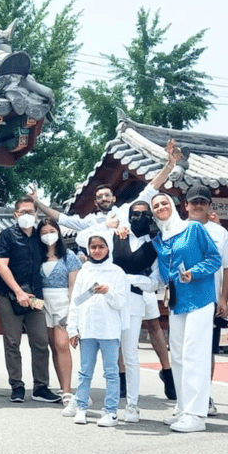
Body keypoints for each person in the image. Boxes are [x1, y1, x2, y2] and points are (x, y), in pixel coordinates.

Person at [31, 140, 180, 400]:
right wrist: (38, 202)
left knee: (154, 325)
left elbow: (151, 188)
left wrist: (170, 164)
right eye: (98, 197)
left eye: (106, 196)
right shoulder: (89, 222)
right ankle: (121, 380)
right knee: (119, 333)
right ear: (94, 200)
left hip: (141, 270)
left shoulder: (126, 211)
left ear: (113, 197)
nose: (103, 199)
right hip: (114, 279)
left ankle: (167, 371)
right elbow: (60, 219)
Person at [74, 200, 162, 423]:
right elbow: (83, 239)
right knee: (100, 357)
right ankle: (82, 401)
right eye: (134, 214)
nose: (138, 218)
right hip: (106, 305)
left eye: (144, 214)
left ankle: (132, 405)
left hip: (133, 303)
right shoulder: (116, 238)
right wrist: (108, 225)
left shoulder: (155, 245)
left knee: (130, 355)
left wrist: (130, 279)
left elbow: (155, 282)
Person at [150, 193, 220, 433]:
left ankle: (196, 414)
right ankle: (182, 407)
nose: (161, 207)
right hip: (176, 302)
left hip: (199, 297)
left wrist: (195, 271)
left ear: (173, 206)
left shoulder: (193, 229)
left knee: (194, 355)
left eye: (164, 203)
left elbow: (214, 258)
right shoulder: (159, 239)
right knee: (178, 355)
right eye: (156, 205)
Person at [0, 195, 60, 403]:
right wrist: (19, 292)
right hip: (9, 294)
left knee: (40, 341)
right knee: (12, 342)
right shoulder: (6, 236)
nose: (27, 215)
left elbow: (56, 255)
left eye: (30, 212)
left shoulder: (41, 236)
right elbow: (1, 265)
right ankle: (17, 384)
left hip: (36, 295)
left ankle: (41, 386)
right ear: (15, 214)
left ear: (36, 214)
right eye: (22, 212)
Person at [183, 185, 228, 416]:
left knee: (206, 352)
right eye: (194, 202)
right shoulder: (178, 229)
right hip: (182, 300)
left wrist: (224, 299)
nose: (198, 205)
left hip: (209, 301)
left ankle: (204, 397)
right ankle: (184, 399)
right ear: (185, 205)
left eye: (203, 202)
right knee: (181, 352)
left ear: (209, 206)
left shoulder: (219, 233)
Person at [67, 235, 128, 427]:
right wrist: (72, 328)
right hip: (88, 330)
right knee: (85, 371)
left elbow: (122, 302)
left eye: (101, 247)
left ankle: (111, 411)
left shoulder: (117, 272)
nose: (97, 250)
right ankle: (81, 407)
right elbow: (76, 301)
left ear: (108, 249)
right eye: (93, 247)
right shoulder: (84, 272)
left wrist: (108, 291)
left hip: (109, 330)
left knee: (111, 372)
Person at [37, 217, 81, 411]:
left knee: (62, 344)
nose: (48, 236)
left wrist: (73, 310)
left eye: (51, 231)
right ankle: (62, 387)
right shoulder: (37, 255)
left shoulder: (69, 255)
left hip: (63, 301)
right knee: (53, 346)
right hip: (42, 303)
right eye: (44, 232)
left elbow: (74, 285)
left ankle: (67, 390)